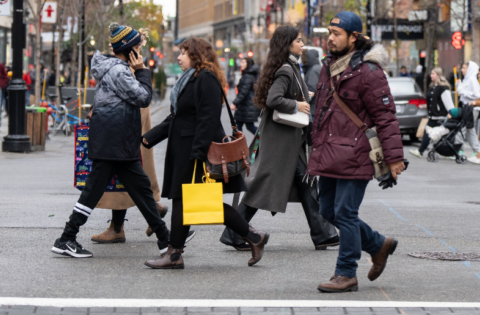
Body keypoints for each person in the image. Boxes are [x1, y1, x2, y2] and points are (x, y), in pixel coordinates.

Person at [143, 37, 265, 269]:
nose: (179, 57)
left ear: (197, 55)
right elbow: (178, 117)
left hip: (196, 153)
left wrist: (198, 155)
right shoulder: (191, 79)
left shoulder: (206, 78)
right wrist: (149, 137)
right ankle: (254, 237)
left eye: (183, 53)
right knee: (194, 203)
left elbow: (208, 119)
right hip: (185, 150)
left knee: (187, 202)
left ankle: (174, 254)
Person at [53, 23, 170, 260]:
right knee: (95, 193)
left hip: (117, 141)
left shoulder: (113, 68)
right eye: (137, 48)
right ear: (129, 50)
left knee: (142, 192)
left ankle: (166, 241)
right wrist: (142, 72)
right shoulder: (119, 71)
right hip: (114, 142)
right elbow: (144, 97)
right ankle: (66, 238)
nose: (140, 52)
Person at [307, 12, 405, 293]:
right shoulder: (329, 66)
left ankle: (346, 273)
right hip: (329, 152)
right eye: (329, 33)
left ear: (354, 38)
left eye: (336, 34)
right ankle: (377, 244)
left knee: (345, 213)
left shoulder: (369, 72)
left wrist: (395, 157)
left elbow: (386, 117)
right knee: (327, 210)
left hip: (357, 152)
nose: (330, 39)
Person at [221, 28, 338, 252]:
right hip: (280, 142)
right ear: (287, 44)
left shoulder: (288, 65)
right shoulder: (286, 69)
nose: (302, 44)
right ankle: (234, 233)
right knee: (263, 185)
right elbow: (275, 99)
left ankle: (321, 234)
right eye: (298, 41)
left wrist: (305, 96)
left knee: (306, 183)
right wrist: (297, 105)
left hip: (288, 142)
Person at [90, 28, 168, 246]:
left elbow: (143, 98)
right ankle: (151, 212)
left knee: (125, 175)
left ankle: (119, 227)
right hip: (128, 126)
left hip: (127, 128)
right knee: (130, 176)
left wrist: (141, 70)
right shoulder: (125, 69)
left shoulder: (127, 71)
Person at [409, 67, 454, 158]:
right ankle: (421, 151)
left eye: (433, 74)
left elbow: (448, 102)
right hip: (433, 116)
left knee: (432, 133)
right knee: (430, 133)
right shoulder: (433, 87)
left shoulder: (443, 88)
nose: (431, 75)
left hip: (439, 116)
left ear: (438, 75)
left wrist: (451, 112)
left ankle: (421, 151)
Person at [457, 60, 480, 157]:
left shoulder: (472, 80)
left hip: (471, 109)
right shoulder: (466, 79)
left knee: (463, 129)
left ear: (469, 69)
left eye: (464, 68)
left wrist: (462, 91)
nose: (462, 70)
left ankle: (460, 150)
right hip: (466, 108)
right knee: (469, 130)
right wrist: (460, 87)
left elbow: (477, 95)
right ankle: (476, 151)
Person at [230, 56, 261, 134]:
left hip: (247, 106)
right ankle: (236, 145)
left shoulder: (248, 76)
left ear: (248, 64)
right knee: (239, 127)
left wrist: (234, 103)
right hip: (245, 106)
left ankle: (263, 138)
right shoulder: (249, 75)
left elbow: (243, 92)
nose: (241, 64)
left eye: (243, 62)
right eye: (241, 62)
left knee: (245, 127)